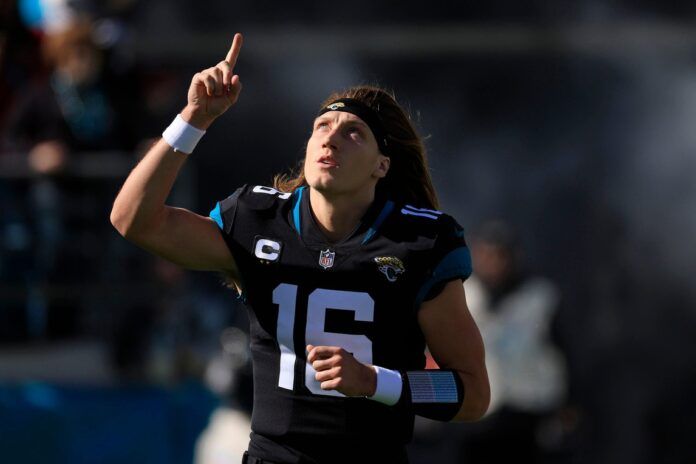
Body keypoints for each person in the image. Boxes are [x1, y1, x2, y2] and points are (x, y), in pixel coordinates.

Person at [110, 33, 490, 464]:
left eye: (354, 133)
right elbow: (134, 219)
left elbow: (472, 392)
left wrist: (375, 382)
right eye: (321, 127)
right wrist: (194, 117)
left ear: (381, 165)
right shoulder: (257, 219)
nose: (330, 139)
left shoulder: (419, 244)